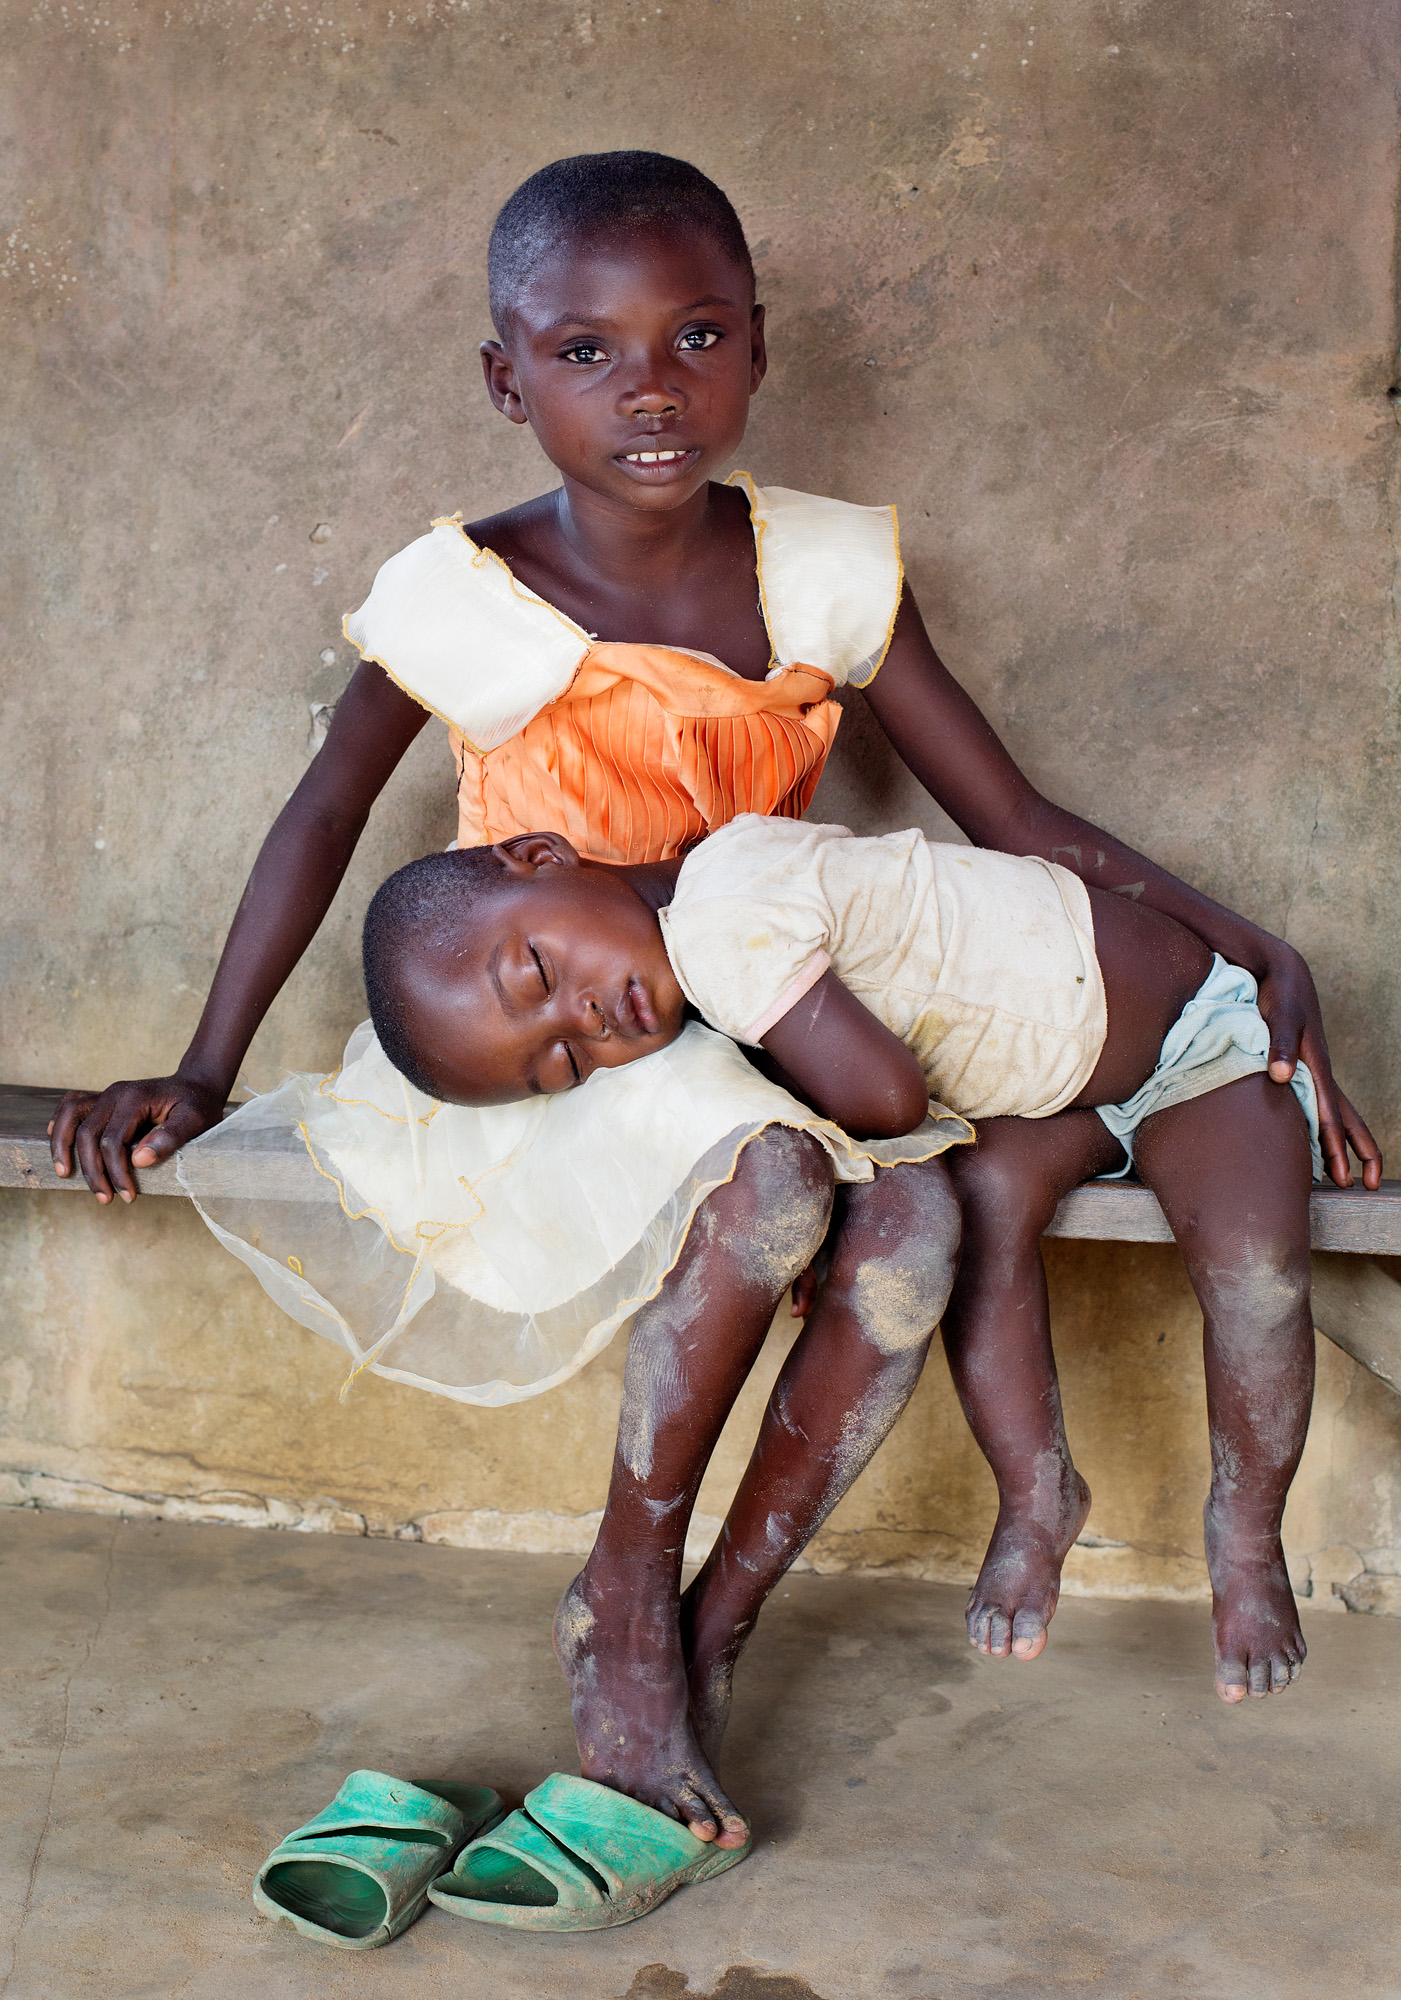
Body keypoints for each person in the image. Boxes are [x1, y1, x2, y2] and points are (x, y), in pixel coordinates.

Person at [48, 151, 1378, 1846]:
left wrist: (1246, 939)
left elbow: (1020, 825)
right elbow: (322, 819)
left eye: (692, 338)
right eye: (585, 351)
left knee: (906, 1236)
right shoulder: (464, 592)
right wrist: (200, 1062)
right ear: (504, 376)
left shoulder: (823, 576)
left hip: (768, 1004)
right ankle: (627, 1581)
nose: (648, 389)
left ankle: (708, 1634)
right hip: (545, 1034)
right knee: (779, 1182)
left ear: (758, 346)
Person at [360, 810, 1335, 1706]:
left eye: (536, 975)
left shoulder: (723, 919)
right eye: (565, 1061)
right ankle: (1040, 1494)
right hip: (1047, 1101)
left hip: (1197, 1045)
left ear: (539, 855)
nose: (588, 1019)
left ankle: (1246, 1535)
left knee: (1255, 1275)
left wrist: (823, 1173)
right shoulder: (694, 955)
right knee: (984, 1207)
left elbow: (886, 1099)